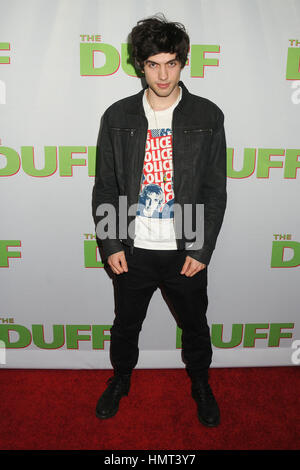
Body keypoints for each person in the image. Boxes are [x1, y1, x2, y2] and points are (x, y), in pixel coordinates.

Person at [92, 14, 227, 427]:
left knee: (195, 326)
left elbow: (214, 191)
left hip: (184, 250)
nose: (163, 73)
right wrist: (111, 243)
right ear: (141, 65)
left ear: (183, 62)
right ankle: (121, 379)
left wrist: (202, 248)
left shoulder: (207, 115)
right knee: (125, 326)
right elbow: (105, 188)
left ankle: (201, 383)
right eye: (153, 64)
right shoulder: (117, 117)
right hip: (133, 250)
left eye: (171, 62)